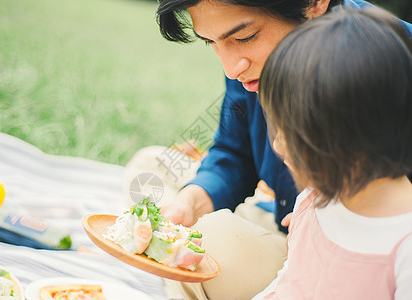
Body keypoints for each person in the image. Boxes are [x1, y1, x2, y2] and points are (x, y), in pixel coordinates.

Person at [123, 0, 412, 298]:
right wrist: (193, 200)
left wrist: (335, 219)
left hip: (355, 260)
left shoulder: (394, 62)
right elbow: (234, 151)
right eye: (211, 42)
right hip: (286, 220)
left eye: (245, 37)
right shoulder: (248, 66)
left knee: (214, 241)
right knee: (152, 165)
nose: (232, 69)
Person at [253, 6, 412, 299]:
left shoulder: (404, 246)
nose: (278, 145)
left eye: (292, 131)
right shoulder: (314, 201)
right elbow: (287, 283)